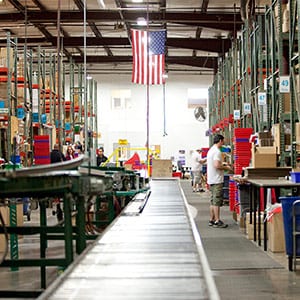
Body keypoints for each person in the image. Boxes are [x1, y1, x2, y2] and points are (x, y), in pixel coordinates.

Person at [207, 134, 232, 228]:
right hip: (217, 179)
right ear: (220, 141)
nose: (224, 142)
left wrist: (223, 163)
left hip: (211, 179)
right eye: (224, 140)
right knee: (217, 201)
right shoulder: (217, 151)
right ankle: (217, 220)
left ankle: (212, 219)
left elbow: (215, 163)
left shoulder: (211, 150)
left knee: (213, 201)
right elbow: (217, 165)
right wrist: (227, 168)